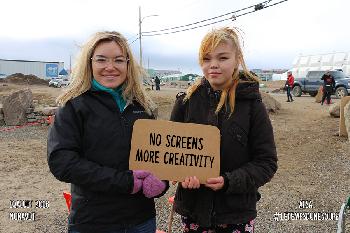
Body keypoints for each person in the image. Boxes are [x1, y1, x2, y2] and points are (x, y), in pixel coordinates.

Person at [47, 31, 169, 233]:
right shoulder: (74, 106)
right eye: (101, 60)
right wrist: (126, 182)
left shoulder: (143, 107)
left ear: (128, 65)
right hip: (94, 222)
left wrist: (161, 183)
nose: (110, 67)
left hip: (142, 220)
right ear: (90, 63)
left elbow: (156, 157)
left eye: (119, 60)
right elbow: (62, 162)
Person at [170, 27, 277, 233]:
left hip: (236, 214)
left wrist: (228, 181)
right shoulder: (186, 102)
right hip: (194, 212)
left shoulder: (252, 104)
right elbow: (172, 156)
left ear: (237, 59)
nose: (213, 65)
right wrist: (182, 175)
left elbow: (266, 163)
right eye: (207, 58)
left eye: (223, 57)